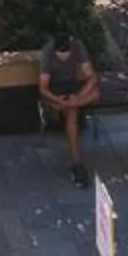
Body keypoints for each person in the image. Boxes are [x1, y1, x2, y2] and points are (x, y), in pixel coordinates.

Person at [37, 32, 100, 187]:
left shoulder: (78, 46)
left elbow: (91, 77)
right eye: (60, 53)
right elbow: (43, 88)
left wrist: (76, 98)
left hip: (74, 88)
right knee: (72, 114)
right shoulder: (47, 53)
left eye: (66, 53)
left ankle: (69, 104)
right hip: (56, 89)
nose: (63, 57)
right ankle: (77, 164)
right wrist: (57, 99)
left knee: (95, 94)